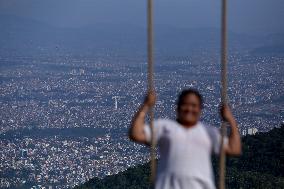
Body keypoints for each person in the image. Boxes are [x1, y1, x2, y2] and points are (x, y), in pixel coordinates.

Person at [129, 89, 241, 189]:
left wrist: (230, 119)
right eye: (185, 105)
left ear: (200, 109)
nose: (189, 109)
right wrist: (146, 106)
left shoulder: (209, 132)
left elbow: (234, 149)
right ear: (177, 107)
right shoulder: (164, 127)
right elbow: (136, 134)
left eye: (194, 105)